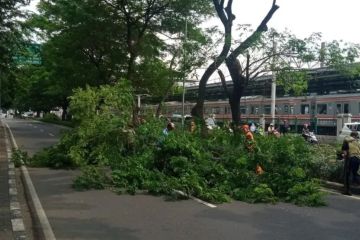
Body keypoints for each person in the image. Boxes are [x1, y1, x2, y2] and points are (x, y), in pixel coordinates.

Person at [342, 131, 360, 195]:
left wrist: (344, 157)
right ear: (355, 136)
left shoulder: (347, 140)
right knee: (355, 174)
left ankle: (348, 191)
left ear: (351, 135)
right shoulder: (358, 141)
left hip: (350, 158)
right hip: (357, 159)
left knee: (348, 174)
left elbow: (344, 151)